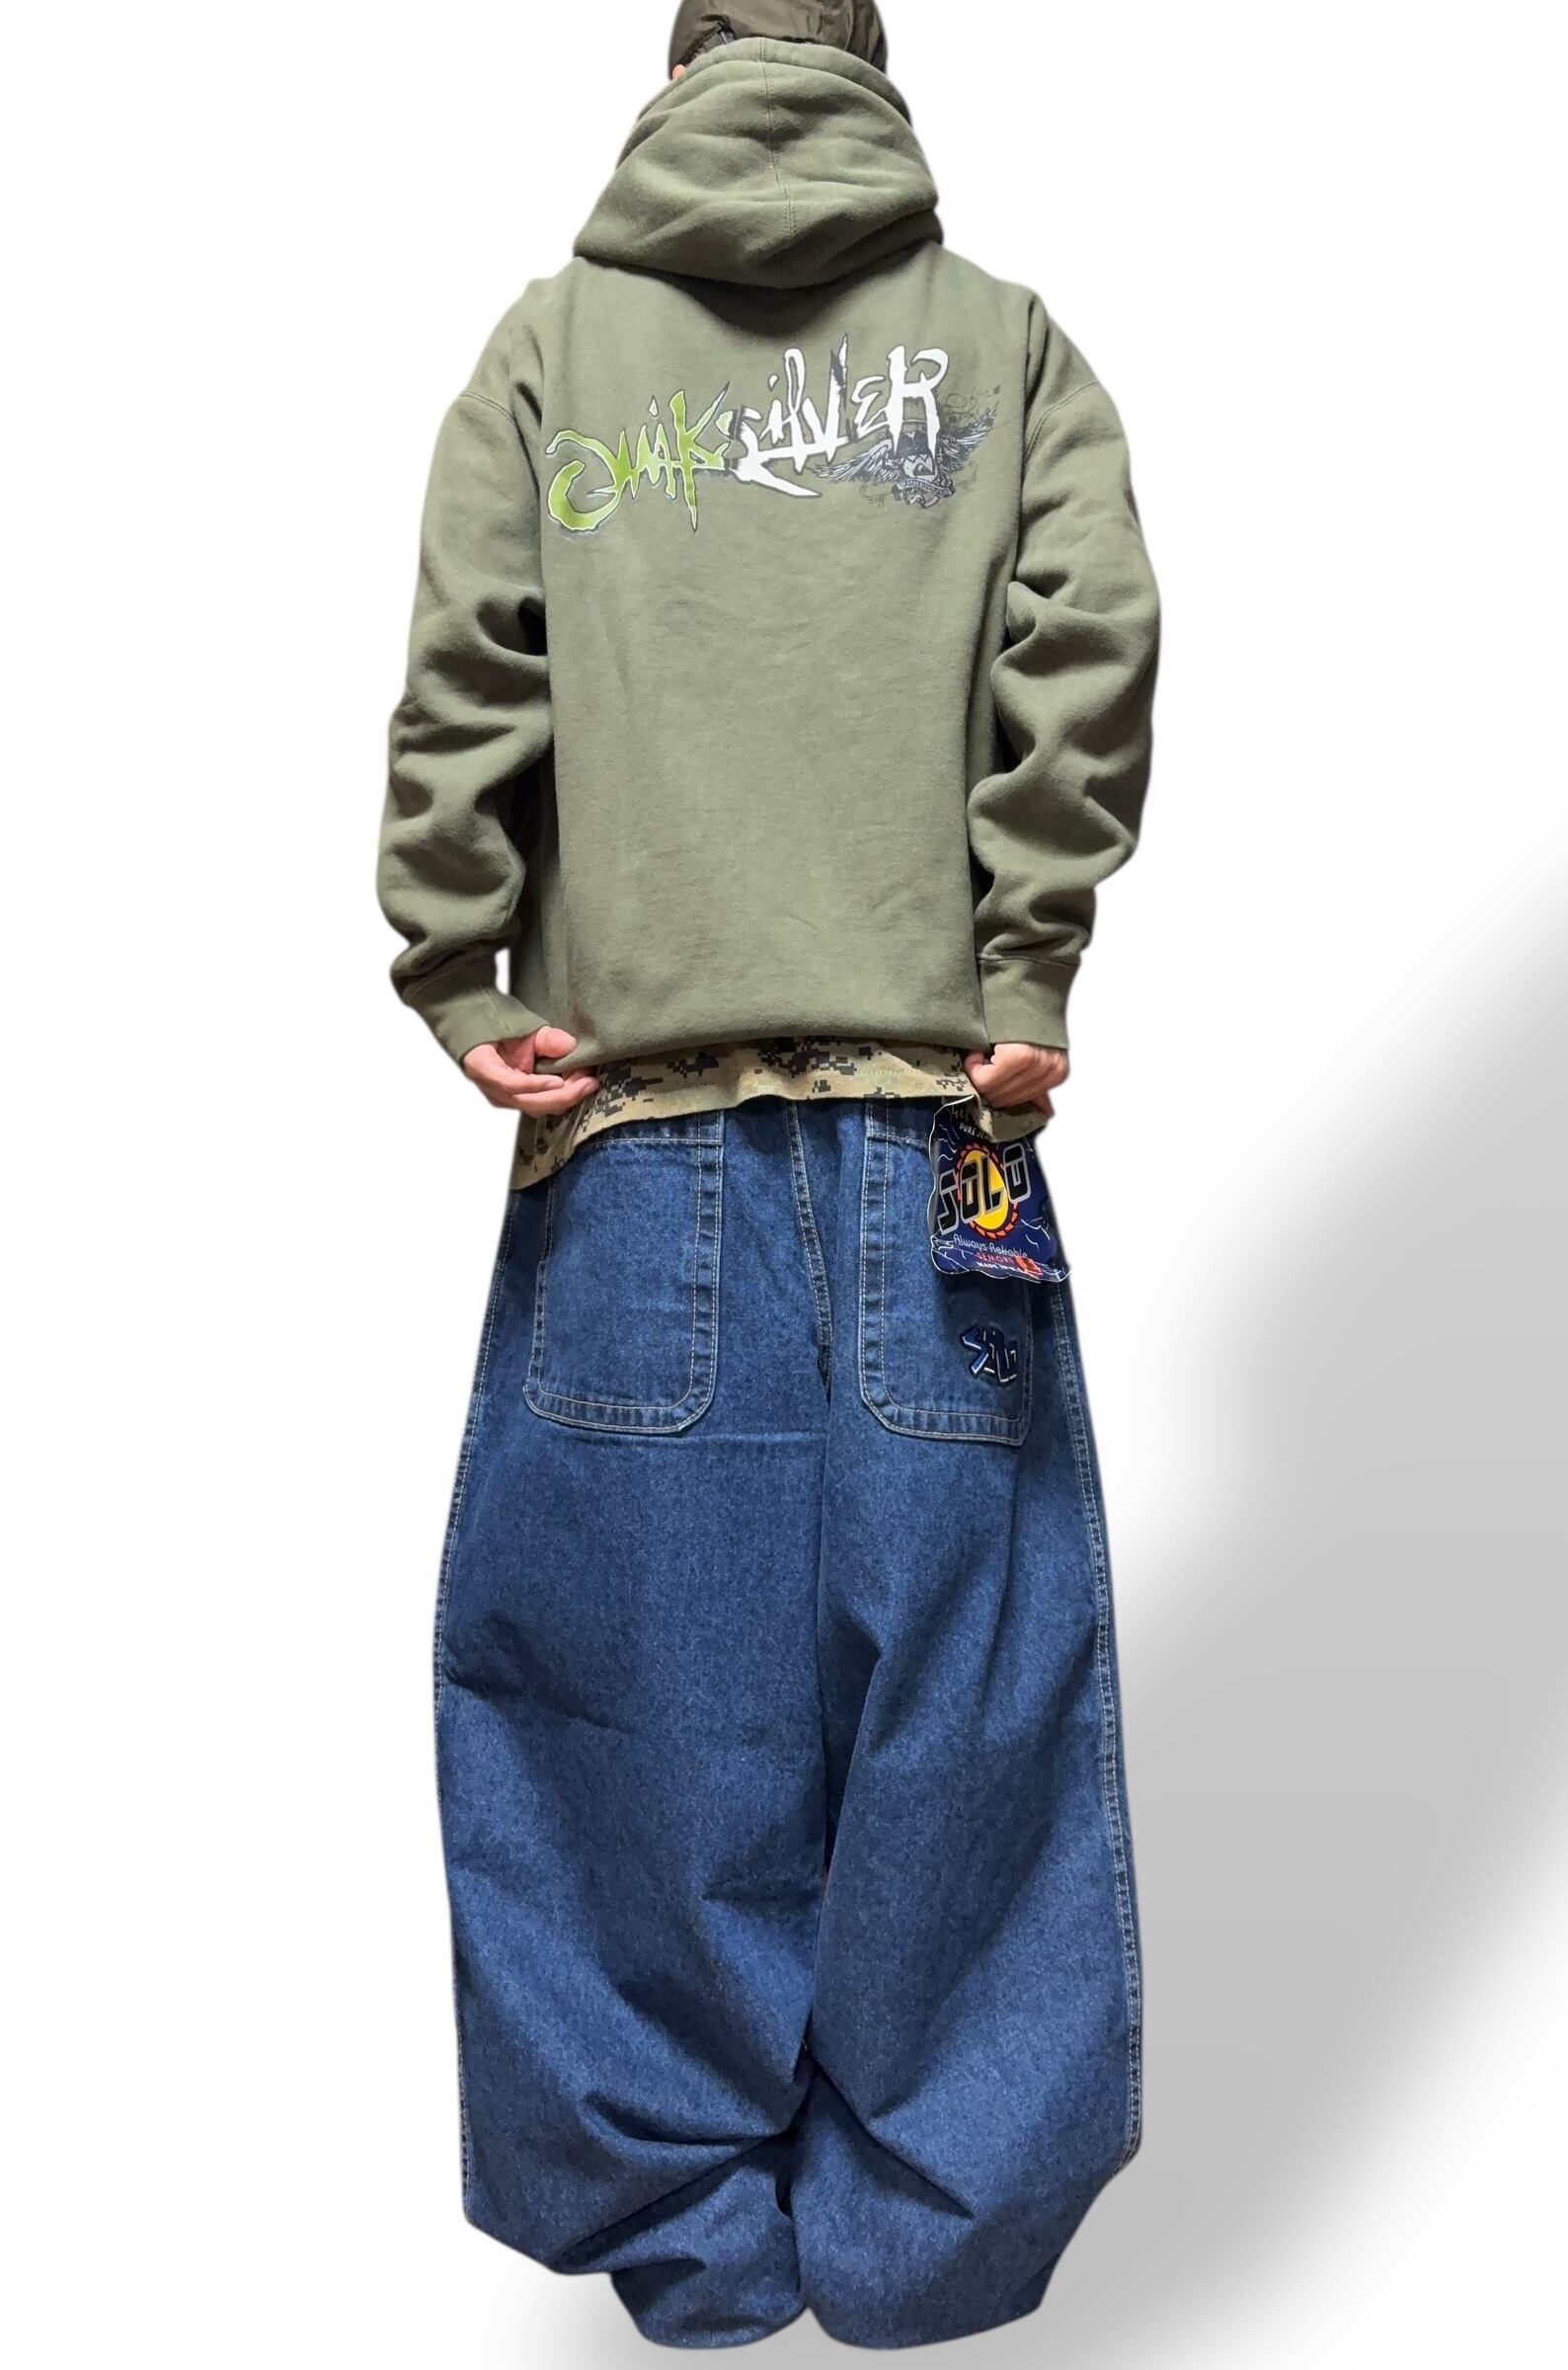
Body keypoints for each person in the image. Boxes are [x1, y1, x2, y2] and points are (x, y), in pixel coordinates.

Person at [378, 1, 1159, 2348]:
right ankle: (934, 2244)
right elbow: (1086, 648)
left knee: (615, 1710)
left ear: (678, 67)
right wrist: (1022, 961)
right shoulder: (999, 346)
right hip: (941, 1140)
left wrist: (455, 960)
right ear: (866, 69)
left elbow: (468, 669)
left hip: (634, 1135)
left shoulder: (554, 347)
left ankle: (693, 2254)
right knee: (972, 1707)